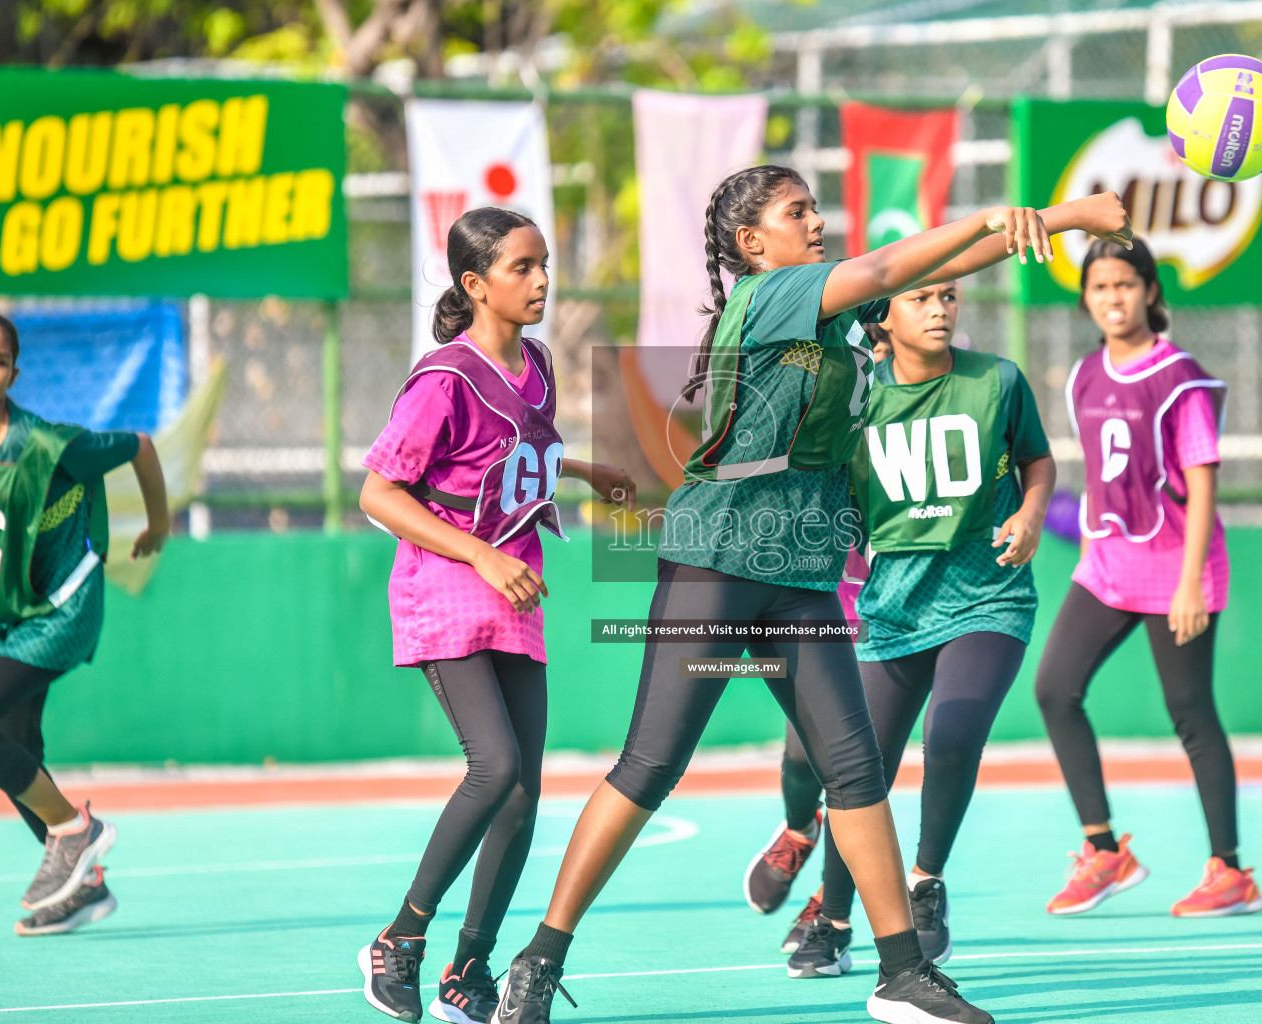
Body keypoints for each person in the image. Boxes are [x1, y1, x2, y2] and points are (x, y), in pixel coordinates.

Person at [495, 164, 1130, 1024]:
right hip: (717, 558)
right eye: (799, 212)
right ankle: (536, 962)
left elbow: (909, 297)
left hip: (800, 574)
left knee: (856, 768)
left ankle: (901, 973)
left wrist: (1056, 227)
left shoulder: (830, 327)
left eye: (816, 208)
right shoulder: (773, 297)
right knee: (651, 764)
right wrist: (1052, 215)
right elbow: (888, 271)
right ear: (753, 243)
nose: (818, 221)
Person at [356, 208, 635, 1024]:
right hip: (448, 582)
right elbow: (377, 493)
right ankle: (399, 940)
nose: (542, 280)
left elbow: (518, 452)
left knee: (524, 793)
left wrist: (580, 470)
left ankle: (465, 972)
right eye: (522, 268)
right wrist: (479, 554)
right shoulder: (443, 379)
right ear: (475, 285)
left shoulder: (539, 364)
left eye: (544, 264)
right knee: (495, 767)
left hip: (514, 583)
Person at [742, 281, 1055, 978]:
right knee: (855, 773)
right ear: (882, 318)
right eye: (921, 298)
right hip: (893, 609)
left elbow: (1037, 459)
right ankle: (835, 918)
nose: (941, 307)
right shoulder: (856, 402)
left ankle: (926, 883)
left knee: (952, 734)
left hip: (988, 597)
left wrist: (1031, 513)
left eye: (949, 295)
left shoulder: (997, 381)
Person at [1034, 237, 1262, 918]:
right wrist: (1088, 551)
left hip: (1177, 565)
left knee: (1190, 714)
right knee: (1054, 689)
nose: (1113, 297)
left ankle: (1230, 871)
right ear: (1086, 298)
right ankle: (1104, 850)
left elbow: (1201, 485)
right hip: (1107, 564)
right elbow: (1106, 484)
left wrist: (1191, 583)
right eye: (1100, 286)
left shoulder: (1179, 377)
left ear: (1151, 293)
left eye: (1126, 285)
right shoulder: (1082, 376)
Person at [0, 309, 170, 936]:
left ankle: (78, 830)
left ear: (14, 372)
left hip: (64, 608)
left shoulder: (51, 447)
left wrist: (157, 524)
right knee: (17, 744)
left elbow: (140, 445)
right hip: (11, 611)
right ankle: (85, 890)